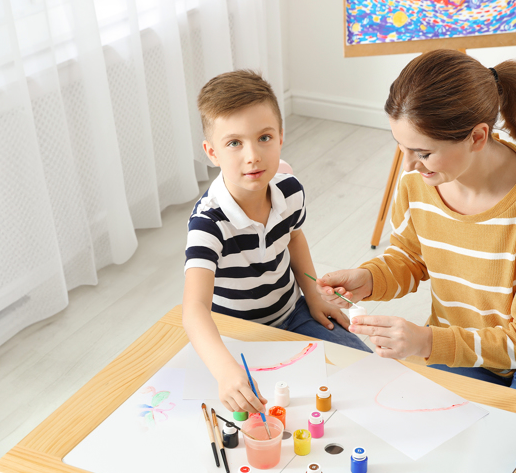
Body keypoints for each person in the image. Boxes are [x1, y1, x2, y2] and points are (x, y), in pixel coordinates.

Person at [316, 49, 516, 389]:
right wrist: (368, 279)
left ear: (477, 137)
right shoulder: (419, 183)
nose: (408, 166)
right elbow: (410, 257)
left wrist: (426, 342)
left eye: (423, 153)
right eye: (401, 146)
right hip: (458, 353)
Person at [182, 70, 370, 414]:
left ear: (281, 137)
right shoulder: (207, 223)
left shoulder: (289, 189)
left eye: (264, 138)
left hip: (292, 314)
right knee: (266, 411)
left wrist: (312, 294)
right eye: (234, 143)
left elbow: (294, 237)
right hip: (240, 339)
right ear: (212, 152)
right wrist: (226, 371)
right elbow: (194, 310)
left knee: (366, 369)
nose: (252, 155)